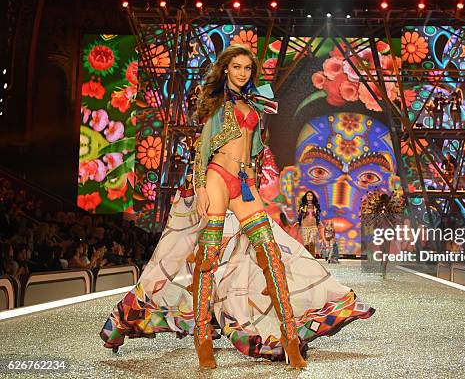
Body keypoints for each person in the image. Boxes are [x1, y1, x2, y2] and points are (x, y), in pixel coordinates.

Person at [100, 44, 374, 370]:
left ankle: (291, 333)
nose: (242, 73)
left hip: (244, 183)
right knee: (203, 258)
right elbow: (203, 150)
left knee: (272, 252)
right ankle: (199, 339)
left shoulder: (254, 103)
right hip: (216, 176)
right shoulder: (218, 102)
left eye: (247, 68)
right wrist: (200, 187)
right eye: (237, 67)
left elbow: (255, 148)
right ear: (226, 69)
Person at [296, 190, 321, 257]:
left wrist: (318, 223)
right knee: (306, 244)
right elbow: (299, 215)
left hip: (313, 227)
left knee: (311, 242)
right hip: (304, 227)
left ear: (313, 197)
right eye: (308, 195)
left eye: (311, 195)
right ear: (306, 197)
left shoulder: (316, 206)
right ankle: (308, 258)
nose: (309, 197)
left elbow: (318, 216)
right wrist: (298, 223)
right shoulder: (302, 206)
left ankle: (313, 257)